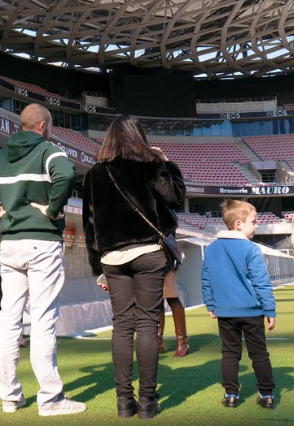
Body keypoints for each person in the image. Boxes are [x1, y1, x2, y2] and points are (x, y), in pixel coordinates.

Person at [0, 103, 85, 416]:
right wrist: (53, 209)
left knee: (9, 319)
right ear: (43, 126)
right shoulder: (49, 151)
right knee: (43, 319)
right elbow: (68, 174)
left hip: (11, 244)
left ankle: (11, 397)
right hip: (42, 243)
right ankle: (51, 399)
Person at [82, 115, 185, 419]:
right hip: (148, 253)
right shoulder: (149, 164)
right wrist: (166, 163)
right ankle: (148, 401)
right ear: (139, 137)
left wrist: (97, 267)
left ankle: (124, 402)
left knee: (122, 326)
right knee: (147, 324)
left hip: (112, 257)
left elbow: (89, 225)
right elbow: (175, 196)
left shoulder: (94, 173)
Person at [202, 199, 276, 409]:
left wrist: (210, 304)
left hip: (225, 312)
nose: (257, 225)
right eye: (253, 221)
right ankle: (266, 395)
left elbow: (206, 278)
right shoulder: (251, 249)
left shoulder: (211, 249)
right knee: (259, 353)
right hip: (252, 312)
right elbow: (261, 282)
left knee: (229, 353)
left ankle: (231, 395)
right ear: (238, 224)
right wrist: (270, 309)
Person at [0, 203, 26, 348]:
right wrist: (8, 254)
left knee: (18, 304)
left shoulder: (14, 231)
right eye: (3, 213)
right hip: (1, 273)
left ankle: (16, 335)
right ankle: (8, 336)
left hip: (17, 272)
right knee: (6, 306)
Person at [158, 268, 189, 357]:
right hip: (148, 265)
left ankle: (182, 342)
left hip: (167, 264)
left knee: (172, 297)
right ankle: (158, 342)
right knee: (156, 300)